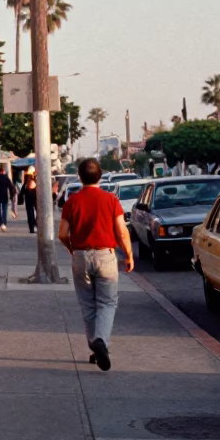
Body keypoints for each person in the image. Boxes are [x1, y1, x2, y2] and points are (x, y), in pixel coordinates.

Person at [58, 158, 134, 373]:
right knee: (107, 303)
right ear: (100, 176)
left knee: (88, 305)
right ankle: (101, 342)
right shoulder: (110, 199)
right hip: (106, 256)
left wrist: (72, 248)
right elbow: (121, 231)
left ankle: (96, 346)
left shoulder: (72, 201)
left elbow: (62, 234)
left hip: (81, 256)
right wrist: (128, 254)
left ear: (79, 177)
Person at [0, 167, 15, 232]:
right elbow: (10, 187)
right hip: (4, 195)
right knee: (4, 209)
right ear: (3, 171)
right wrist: (11, 195)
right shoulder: (6, 178)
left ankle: (0, 221)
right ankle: (4, 222)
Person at [17, 168, 39, 235]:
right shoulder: (33, 183)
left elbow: (21, 193)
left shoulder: (26, 184)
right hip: (34, 201)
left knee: (31, 214)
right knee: (35, 213)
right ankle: (34, 225)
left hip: (30, 201)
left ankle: (32, 227)